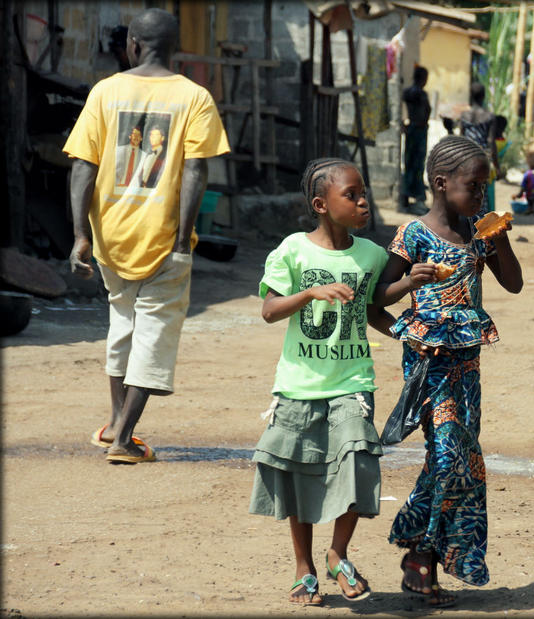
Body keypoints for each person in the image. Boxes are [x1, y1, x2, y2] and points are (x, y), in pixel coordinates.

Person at [248, 158, 437, 607]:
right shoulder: (293, 250)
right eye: (351, 195)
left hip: (353, 382)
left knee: (357, 463)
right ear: (321, 204)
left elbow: (374, 309)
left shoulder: (370, 255)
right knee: (299, 475)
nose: (362, 202)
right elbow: (270, 310)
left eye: (363, 193)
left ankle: (338, 554)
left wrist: (407, 318)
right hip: (298, 385)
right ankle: (303, 567)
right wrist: (310, 292)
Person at [64, 8, 230, 464]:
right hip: (163, 239)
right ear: (173, 47)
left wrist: (81, 235)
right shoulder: (194, 97)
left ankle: (116, 423)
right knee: (153, 335)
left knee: (123, 327)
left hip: (111, 239)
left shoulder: (106, 91)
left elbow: (82, 166)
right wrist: (183, 236)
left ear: (133, 44)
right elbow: (196, 170)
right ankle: (123, 440)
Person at [373, 135, 523, 607]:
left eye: (485, 188)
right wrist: (407, 284)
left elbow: (514, 285)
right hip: (428, 364)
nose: (482, 196)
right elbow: (378, 294)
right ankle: (421, 555)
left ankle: (424, 553)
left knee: (462, 458)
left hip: (467, 364)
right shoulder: (412, 236)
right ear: (441, 184)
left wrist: (498, 243)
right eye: (474, 187)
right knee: (446, 453)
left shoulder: (480, 234)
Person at [458, 82, 499, 216]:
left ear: (471, 96)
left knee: (467, 189)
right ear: (483, 96)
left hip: (466, 157)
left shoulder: (464, 116)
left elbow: (462, 138)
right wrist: (497, 165)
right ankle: (480, 225)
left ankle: (467, 221)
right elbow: (490, 141)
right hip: (481, 158)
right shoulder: (489, 116)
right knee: (481, 191)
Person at [401, 65, 431, 215]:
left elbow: (399, 109)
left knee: (408, 162)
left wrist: (403, 124)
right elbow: (427, 110)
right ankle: (418, 196)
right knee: (418, 164)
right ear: (423, 78)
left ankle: (405, 196)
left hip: (411, 128)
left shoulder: (407, 92)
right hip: (419, 130)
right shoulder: (422, 94)